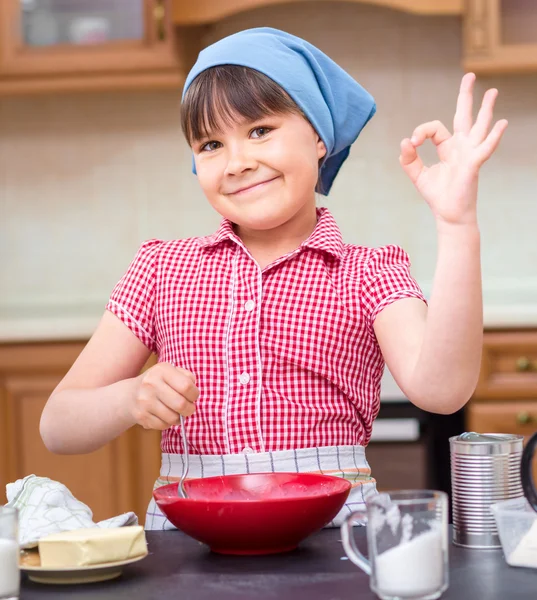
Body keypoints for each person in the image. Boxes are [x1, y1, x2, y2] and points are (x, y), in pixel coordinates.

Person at [40, 28, 508, 529]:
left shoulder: (370, 271)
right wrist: (127, 397)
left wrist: (457, 224)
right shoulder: (160, 269)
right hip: (191, 540)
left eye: (260, 130)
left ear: (320, 138)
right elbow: (58, 426)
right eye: (211, 143)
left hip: (334, 536)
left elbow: (443, 391)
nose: (238, 162)